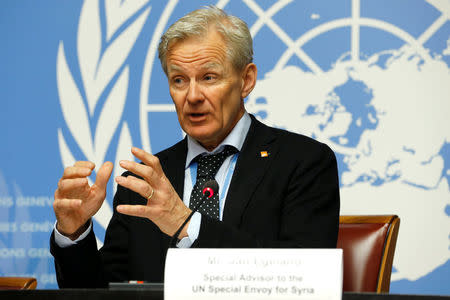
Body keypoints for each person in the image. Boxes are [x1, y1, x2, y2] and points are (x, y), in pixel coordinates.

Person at [50, 6, 340, 288]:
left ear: (246, 80)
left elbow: (306, 277)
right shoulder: (143, 181)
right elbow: (102, 290)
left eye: (208, 77)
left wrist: (187, 224)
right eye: (179, 80)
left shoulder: (303, 162)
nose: (192, 96)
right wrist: (73, 232)